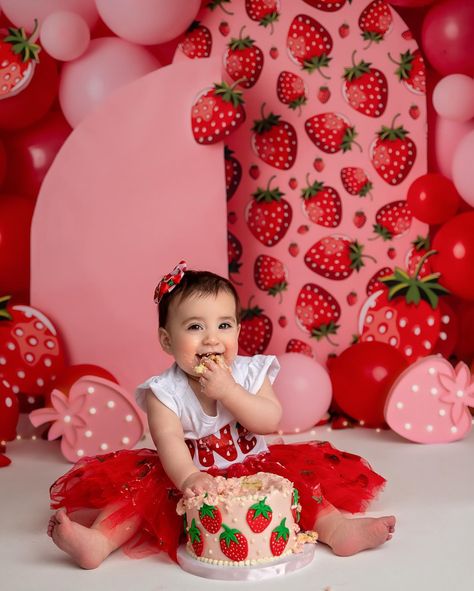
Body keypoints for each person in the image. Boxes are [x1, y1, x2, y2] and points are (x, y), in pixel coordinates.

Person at [47, 261, 395, 569]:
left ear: (239, 331)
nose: (212, 338)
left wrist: (230, 391)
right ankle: (99, 541)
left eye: (224, 326)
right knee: (137, 496)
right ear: (167, 341)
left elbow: (268, 420)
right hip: (187, 474)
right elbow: (167, 441)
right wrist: (187, 478)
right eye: (195, 327)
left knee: (301, 488)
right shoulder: (164, 392)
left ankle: (337, 530)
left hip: (256, 466)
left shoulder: (249, 374)